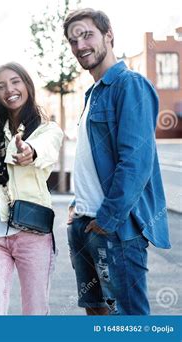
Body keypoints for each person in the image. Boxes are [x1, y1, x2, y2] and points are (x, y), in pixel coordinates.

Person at [63, 8, 170, 315]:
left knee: (129, 320)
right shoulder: (93, 93)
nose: (80, 45)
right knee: (97, 313)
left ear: (108, 35)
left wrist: (107, 220)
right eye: (73, 40)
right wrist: (76, 207)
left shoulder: (129, 85)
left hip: (114, 229)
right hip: (84, 223)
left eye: (87, 35)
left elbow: (135, 163)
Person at [0, 62, 63, 315]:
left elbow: (46, 148)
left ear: (27, 85)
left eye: (15, 81)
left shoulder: (47, 130)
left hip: (34, 235)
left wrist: (29, 152)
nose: (9, 89)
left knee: (35, 311)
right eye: (1, 86)